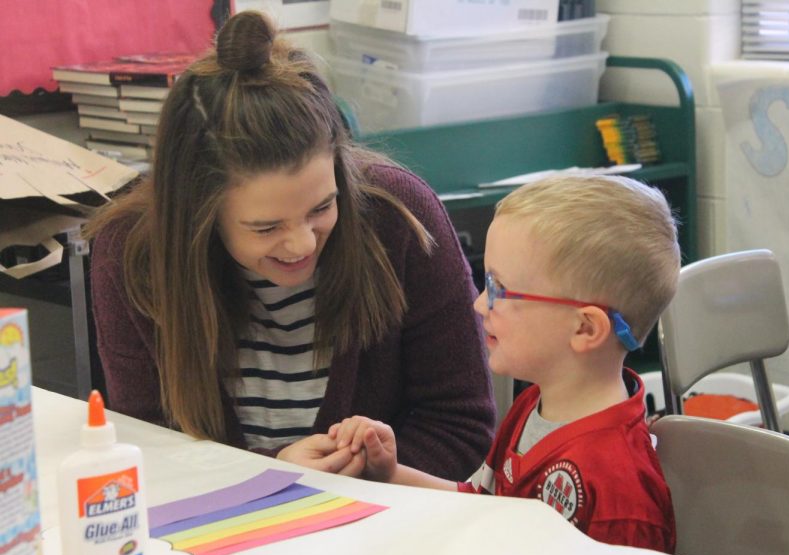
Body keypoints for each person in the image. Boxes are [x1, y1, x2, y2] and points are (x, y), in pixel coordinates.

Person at [86, 11, 494, 481]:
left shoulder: (400, 217)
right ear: (198, 214)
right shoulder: (131, 253)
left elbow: (460, 422)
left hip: (383, 526)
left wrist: (363, 480)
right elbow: (153, 444)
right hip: (222, 530)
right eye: (265, 227)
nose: (301, 242)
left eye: (321, 208)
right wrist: (273, 477)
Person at [328, 174, 680, 552]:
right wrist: (391, 473)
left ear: (584, 328)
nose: (480, 304)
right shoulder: (534, 405)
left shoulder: (618, 490)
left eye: (498, 289)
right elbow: (483, 501)